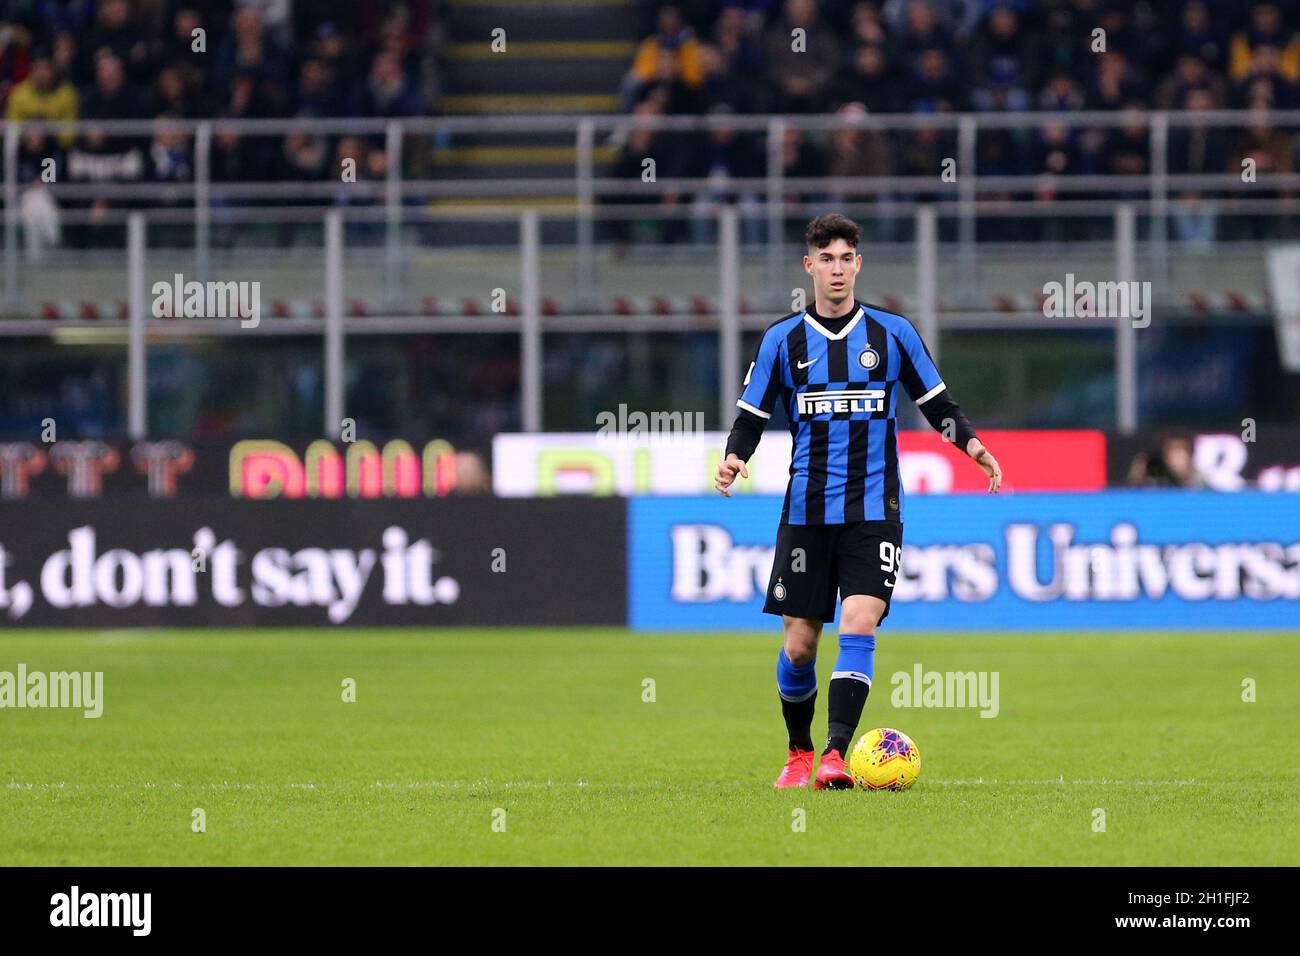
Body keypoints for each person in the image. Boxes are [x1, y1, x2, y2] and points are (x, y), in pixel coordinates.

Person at [714, 212, 1002, 790]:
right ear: (810, 266)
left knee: (860, 622)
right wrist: (734, 456)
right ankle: (800, 750)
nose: (838, 269)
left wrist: (971, 445)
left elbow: (937, 404)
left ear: (859, 264)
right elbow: (751, 415)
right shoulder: (781, 341)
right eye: (827, 259)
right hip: (807, 513)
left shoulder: (893, 334)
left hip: (875, 511)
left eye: (847, 258)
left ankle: (836, 756)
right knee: (799, 646)